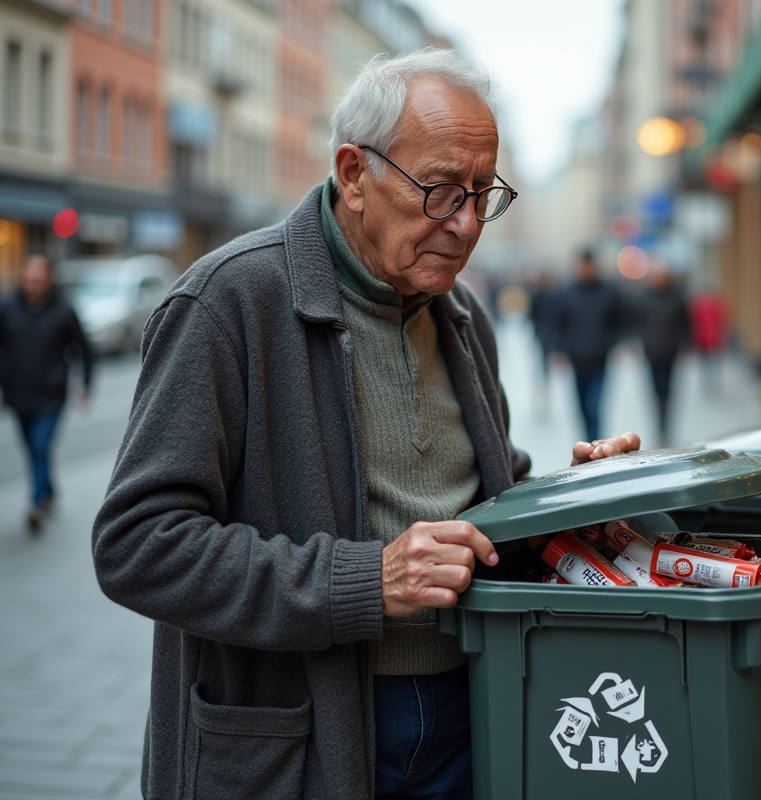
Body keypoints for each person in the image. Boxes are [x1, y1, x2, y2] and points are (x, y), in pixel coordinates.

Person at [91, 49, 640, 800]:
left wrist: (572, 507)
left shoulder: (462, 315)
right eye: (441, 190)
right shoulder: (227, 303)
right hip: (297, 735)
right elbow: (136, 546)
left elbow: (486, 506)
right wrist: (364, 580)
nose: (467, 222)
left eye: (484, 193)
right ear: (354, 173)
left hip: (462, 714)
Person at [0, 253, 93, 532]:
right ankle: (49, 491)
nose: (32, 284)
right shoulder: (7, 308)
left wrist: (85, 386)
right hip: (18, 394)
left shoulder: (64, 311)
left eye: (37, 279)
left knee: (40, 446)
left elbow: (84, 350)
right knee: (32, 449)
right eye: (28, 279)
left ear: (49, 280)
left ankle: (36, 504)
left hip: (51, 396)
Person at [551, 250, 624, 442]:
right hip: (576, 360)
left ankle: (595, 443)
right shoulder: (567, 292)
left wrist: (610, 344)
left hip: (599, 360)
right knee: (581, 407)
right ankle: (587, 441)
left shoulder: (609, 291)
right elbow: (558, 323)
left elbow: (619, 322)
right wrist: (560, 350)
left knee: (594, 406)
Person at [633, 265, 691, 442]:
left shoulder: (676, 297)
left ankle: (665, 424)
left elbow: (685, 324)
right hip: (651, 353)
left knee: (669, 391)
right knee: (655, 391)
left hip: (670, 352)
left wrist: (684, 345)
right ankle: (658, 422)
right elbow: (637, 323)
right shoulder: (644, 298)